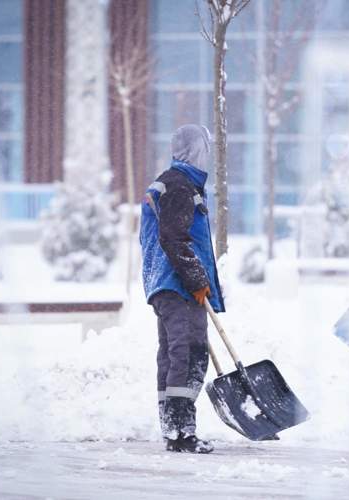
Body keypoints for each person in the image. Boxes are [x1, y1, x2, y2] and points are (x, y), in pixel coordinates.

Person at [139, 124, 224, 453]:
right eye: (206, 149)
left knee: (173, 355)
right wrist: (197, 280)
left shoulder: (172, 182)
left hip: (166, 283)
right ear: (195, 151)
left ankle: (173, 429)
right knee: (188, 354)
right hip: (177, 284)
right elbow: (173, 238)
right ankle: (181, 432)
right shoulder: (179, 186)